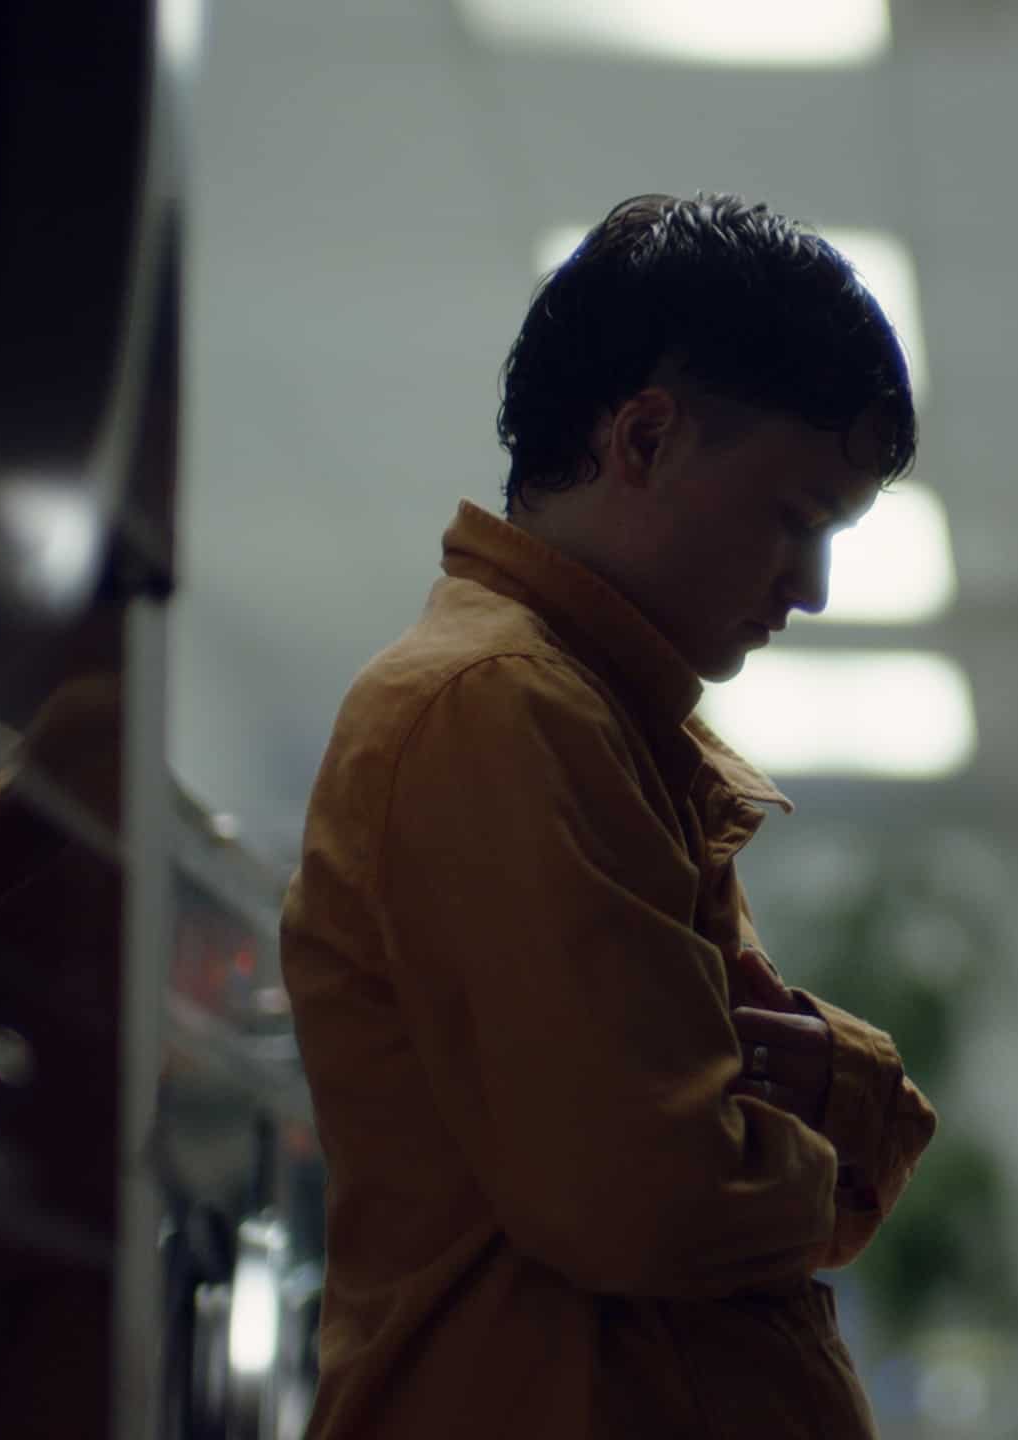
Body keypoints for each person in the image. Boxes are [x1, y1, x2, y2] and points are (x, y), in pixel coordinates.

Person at [280, 193, 937, 1439]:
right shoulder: (502, 708)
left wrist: (815, 1094)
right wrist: (839, 1119)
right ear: (643, 439)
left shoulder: (598, 724)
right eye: (794, 519)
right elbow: (658, 1197)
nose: (810, 586)